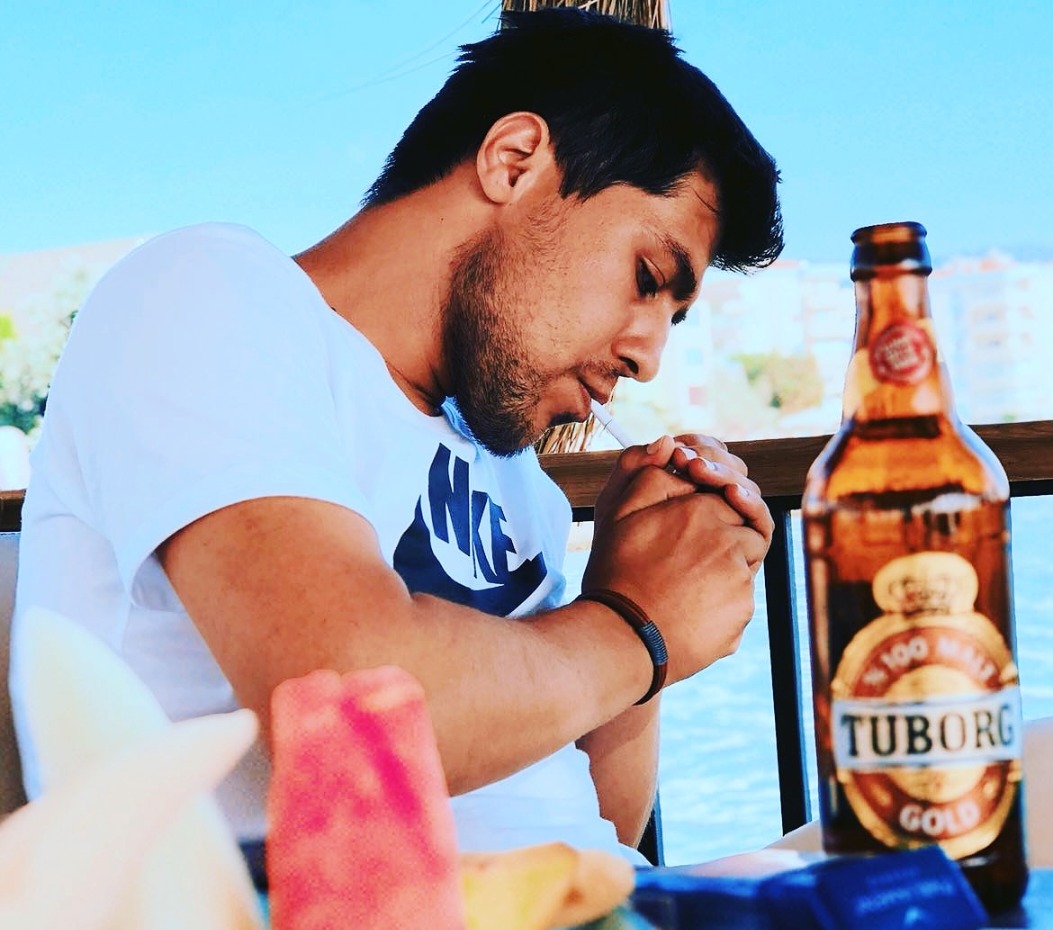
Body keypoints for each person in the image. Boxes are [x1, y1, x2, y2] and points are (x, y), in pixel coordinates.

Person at [10, 8, 782, 873]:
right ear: (514, 160)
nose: (648, 355)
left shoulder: (514, 479)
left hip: (581, 927)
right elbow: (351, 717)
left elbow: (598, 824)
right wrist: (637, 627)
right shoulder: (206, 296)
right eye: (647, 277)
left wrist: (630, 586)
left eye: (673, 317)